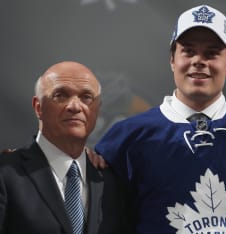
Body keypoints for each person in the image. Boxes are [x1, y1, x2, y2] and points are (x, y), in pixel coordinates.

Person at [94, 4, 226, 234]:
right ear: (172, 60)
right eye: (188, 51)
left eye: (212, 53)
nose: (199, 60)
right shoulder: (125, 137)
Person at [0, 61, 129, 233]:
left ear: (97, 109)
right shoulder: (5, 173)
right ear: (38, 107)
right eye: (60, 95)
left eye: (86, 97)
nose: (75, 106)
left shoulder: (112, 180)